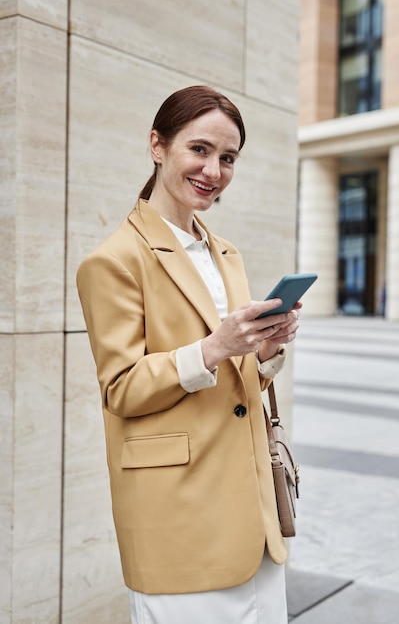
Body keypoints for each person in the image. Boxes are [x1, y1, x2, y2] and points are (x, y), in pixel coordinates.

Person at [77, 85, 301, 624]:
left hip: (253, 521)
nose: (214, 170)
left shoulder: (225, 253)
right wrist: (214, 347)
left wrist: (265, 349)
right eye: (199, 150)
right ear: (158, 145)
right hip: (179, 519)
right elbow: (121, 389)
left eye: (228, 158)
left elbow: (236, 385)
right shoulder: (113, 261)